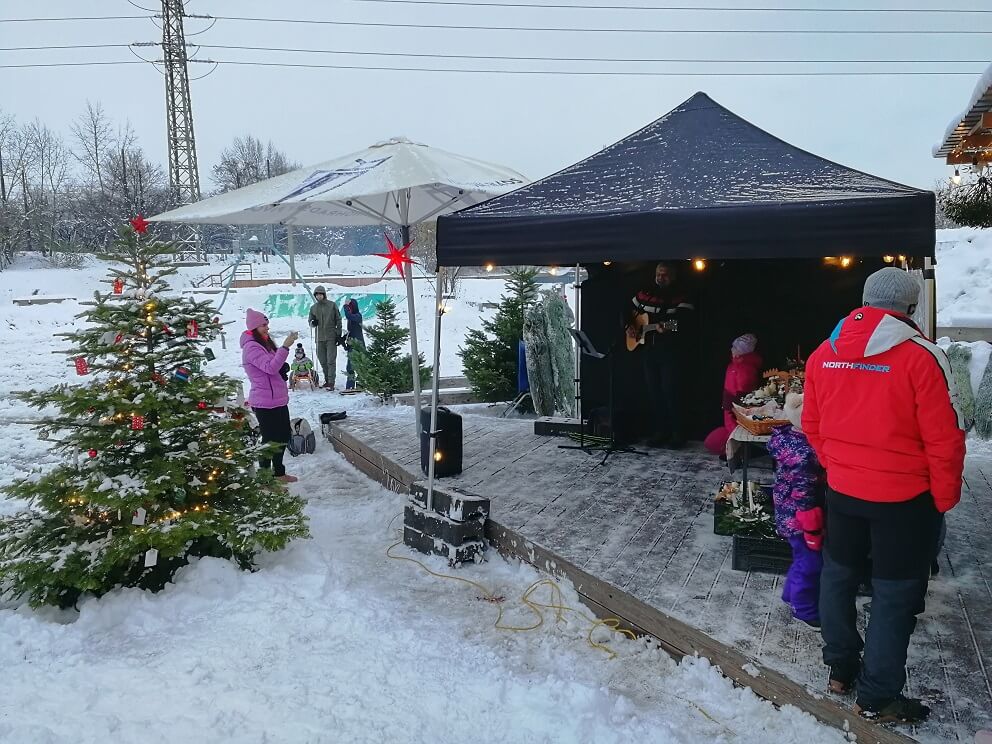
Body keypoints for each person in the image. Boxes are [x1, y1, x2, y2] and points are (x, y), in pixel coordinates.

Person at [803, 267, 965, 724]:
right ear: (911, 308)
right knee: (894, 597)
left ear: (865, 300)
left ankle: (839, 670)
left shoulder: (823, 353)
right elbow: (945, 439)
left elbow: (811, 425)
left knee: (837, 578)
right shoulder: (922, 357)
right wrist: (944, 498)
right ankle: (876, 697)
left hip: (844, 492)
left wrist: (839, 467)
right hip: (904, 502)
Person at [767, 392, 824, 628]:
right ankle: (805, 609)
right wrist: (812, 526)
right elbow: (804, 493)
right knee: (811, 564)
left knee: (801, 559)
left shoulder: (790, 441)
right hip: (800, 519)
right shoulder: (804, 454)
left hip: (788, 513)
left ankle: (791, 594)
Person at [630, 262, 695, 448]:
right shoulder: (645, 293)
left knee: (670, 392)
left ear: (673, 276)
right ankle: (660, 432)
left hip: (671, 353)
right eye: (658, 274)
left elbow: (685, 322)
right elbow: (627, 312)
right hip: (648, 351)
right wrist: (629, 327)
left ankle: (677, 434)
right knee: (654, 392)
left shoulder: (681, 295)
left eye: (664, 275)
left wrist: (666, 326)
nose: (660, 278)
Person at [241, 309, 299, 483]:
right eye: (263, 325)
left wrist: (283, 364)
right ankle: (265, 478)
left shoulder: (265, 343)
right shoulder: (251, 347)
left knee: (282, 436)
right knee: (269, 441)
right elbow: (270, 368)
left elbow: (276, 366)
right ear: (254, 328)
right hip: (264, 402)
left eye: (267, 324)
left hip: (278, 399)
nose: (267, 328)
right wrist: (285, 346)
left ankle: (279, 473)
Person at [704, 333, 762, 456]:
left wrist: (733, 406)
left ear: (740, 352)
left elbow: (743, 390)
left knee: (735, 430)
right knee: (730, 428)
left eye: (734, 348)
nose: (731, 350)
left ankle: (737, 453)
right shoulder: (734, 365)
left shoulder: (744, 368)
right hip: (729, 405)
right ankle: (733, 451)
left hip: (735, 408)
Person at [308, 285, 342, 391]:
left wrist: (338, 334)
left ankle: (331, 382)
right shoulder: (313, 308)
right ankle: (327, 380)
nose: (319, 296)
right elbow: (310, 321)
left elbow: (338, 320)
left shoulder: (332, 305)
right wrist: (313, 323)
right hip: (319, 337)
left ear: (324, 294)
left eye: (320, 294)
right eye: (317, 294)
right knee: (322, 360)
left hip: (331, 337)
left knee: (330, 360)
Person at [343, 298, 365, 391]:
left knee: (360, 366)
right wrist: (343, 338)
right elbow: (351, 331)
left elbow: (348, 316)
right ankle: (350, 386)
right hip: (352, 344)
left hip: (359, 345)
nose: (349, 308)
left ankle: (360, 386)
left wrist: (345, 306)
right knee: (350, 366)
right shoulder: (351, 319)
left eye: (350, 307)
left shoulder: (357, 316)